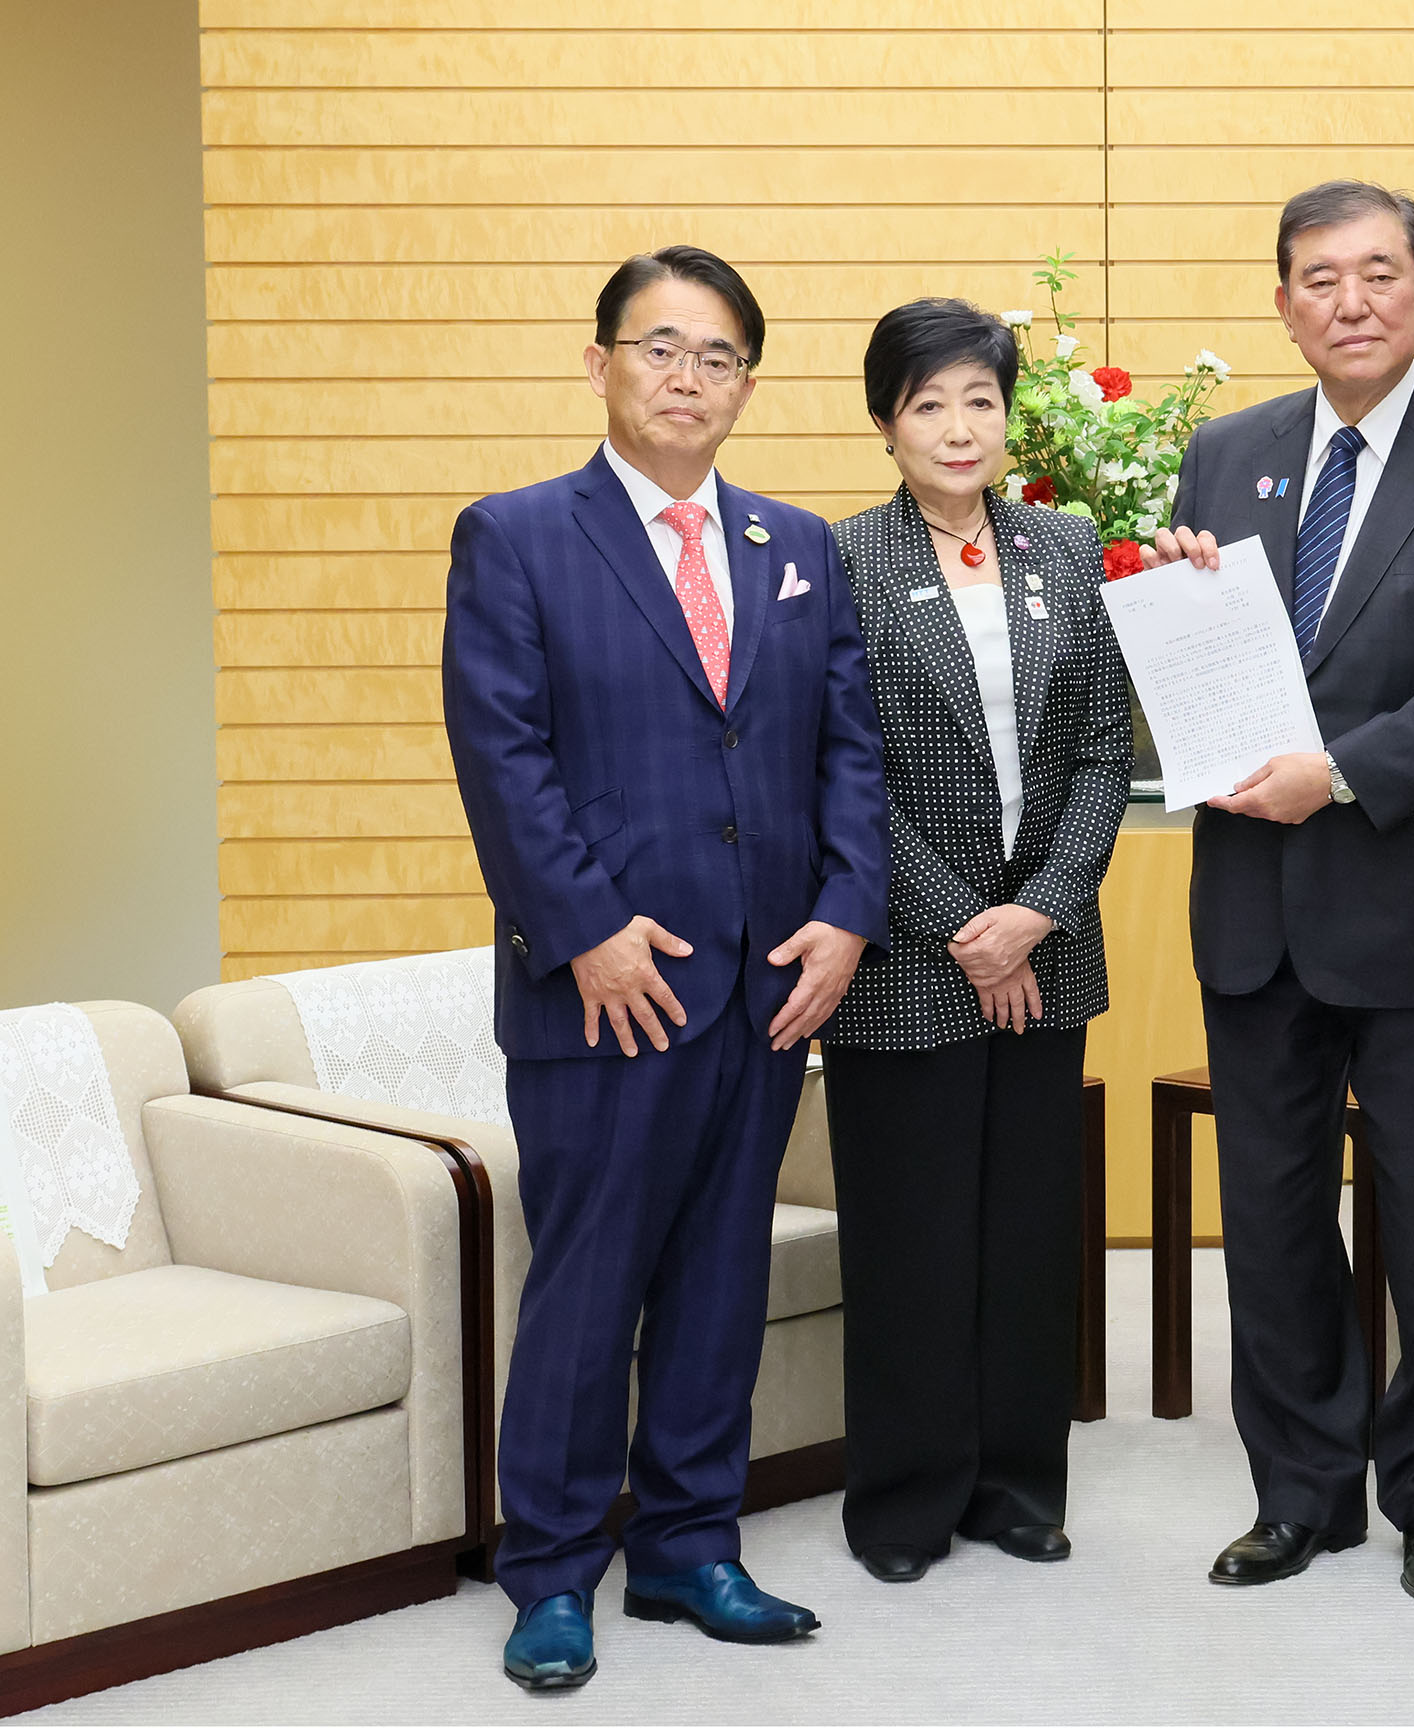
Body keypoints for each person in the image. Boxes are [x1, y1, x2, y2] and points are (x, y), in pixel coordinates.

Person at [443, 246, 890, 1689]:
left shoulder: (796, 545)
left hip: (770, 984)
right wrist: (584, 926)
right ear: (600, 364)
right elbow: (501, 755)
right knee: (588, 1282)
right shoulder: (515, 536)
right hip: (603, 987)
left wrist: (846, 911)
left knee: (718, 1274)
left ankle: (694, 1545)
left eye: (717, 358)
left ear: (747, 385)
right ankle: (554, 1569)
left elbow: (846, 754)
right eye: (659, 348)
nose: (686, 378)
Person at [1147, 181, 1414, 1605]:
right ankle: (1304, 1491)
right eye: (1318, 280)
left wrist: (1336, 771)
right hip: (1256, 908)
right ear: (1282, 305)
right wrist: (1187, 602)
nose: (1351, 301)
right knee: (1268, 1218)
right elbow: (1204, 661)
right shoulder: (1227, 454)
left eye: (1379, 274)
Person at [819, 299, 1132, 1585]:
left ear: (1010, 416)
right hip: (908, 953)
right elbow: (835, 773)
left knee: (1025, 1234)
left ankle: (1014, 1482)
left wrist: (1038, 912)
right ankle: (902, 1497)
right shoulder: (835, 559)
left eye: (980, 401)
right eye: (927, 403)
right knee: (911, 1237)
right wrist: (963, 926)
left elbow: (1106, 747)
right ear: (886, 421)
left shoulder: (1065, 546)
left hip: (1044, 947)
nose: (958, 427)